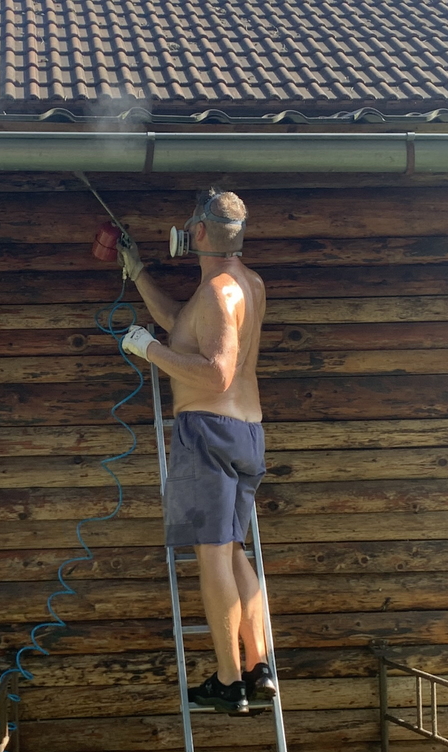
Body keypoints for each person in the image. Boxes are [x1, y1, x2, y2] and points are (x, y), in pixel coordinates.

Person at [118, 186, 276, 714]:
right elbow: (182, 326)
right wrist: (138, 271)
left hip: (208, 431)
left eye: (189, 223)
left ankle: (229, 682)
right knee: (233, 550)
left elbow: (216, 373)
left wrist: (149, 351)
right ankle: (258, 665)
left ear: (200, 232)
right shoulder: (248, 284)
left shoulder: (216, 292)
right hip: (246, 433)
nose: (183, 230)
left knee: (212, 554)